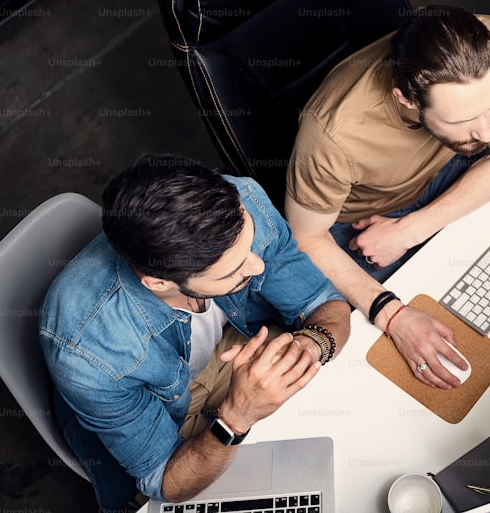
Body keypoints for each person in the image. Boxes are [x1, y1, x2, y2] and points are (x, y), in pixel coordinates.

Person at [39, 154, 350, 511]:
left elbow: (323, 302)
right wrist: (236, 417)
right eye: (233, 271)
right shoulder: (89, 353)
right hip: (160, 408)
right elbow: (163, 480)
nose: (258, 264)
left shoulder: (239, 201)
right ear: (158, 283)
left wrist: (312, 345)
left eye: (250, 245)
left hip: (235, 343)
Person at [285, 5, 490, 389]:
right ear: (407, 100)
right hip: (361, 222)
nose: (485, 132)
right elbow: (305, 237)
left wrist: (409, 230)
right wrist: (393, 314)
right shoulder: (333, 132)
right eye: (461, 119)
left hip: (445, 175)